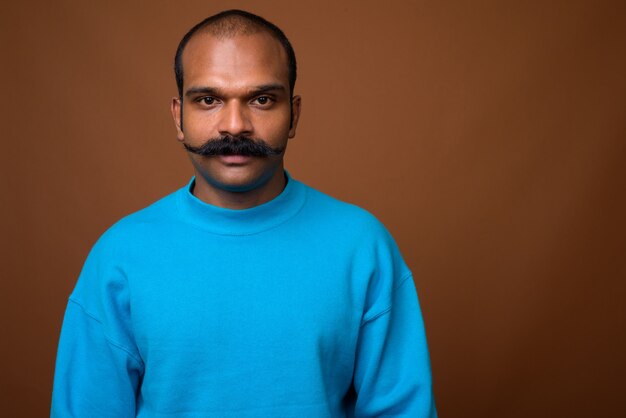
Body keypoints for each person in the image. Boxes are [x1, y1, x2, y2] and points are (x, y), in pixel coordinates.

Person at [51, 9, 437, 417]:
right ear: (178, 117)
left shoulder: (362, 246)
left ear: (294, 115)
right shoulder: (119, 255)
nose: (235, 126)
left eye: (262, 99)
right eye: (209, 100)